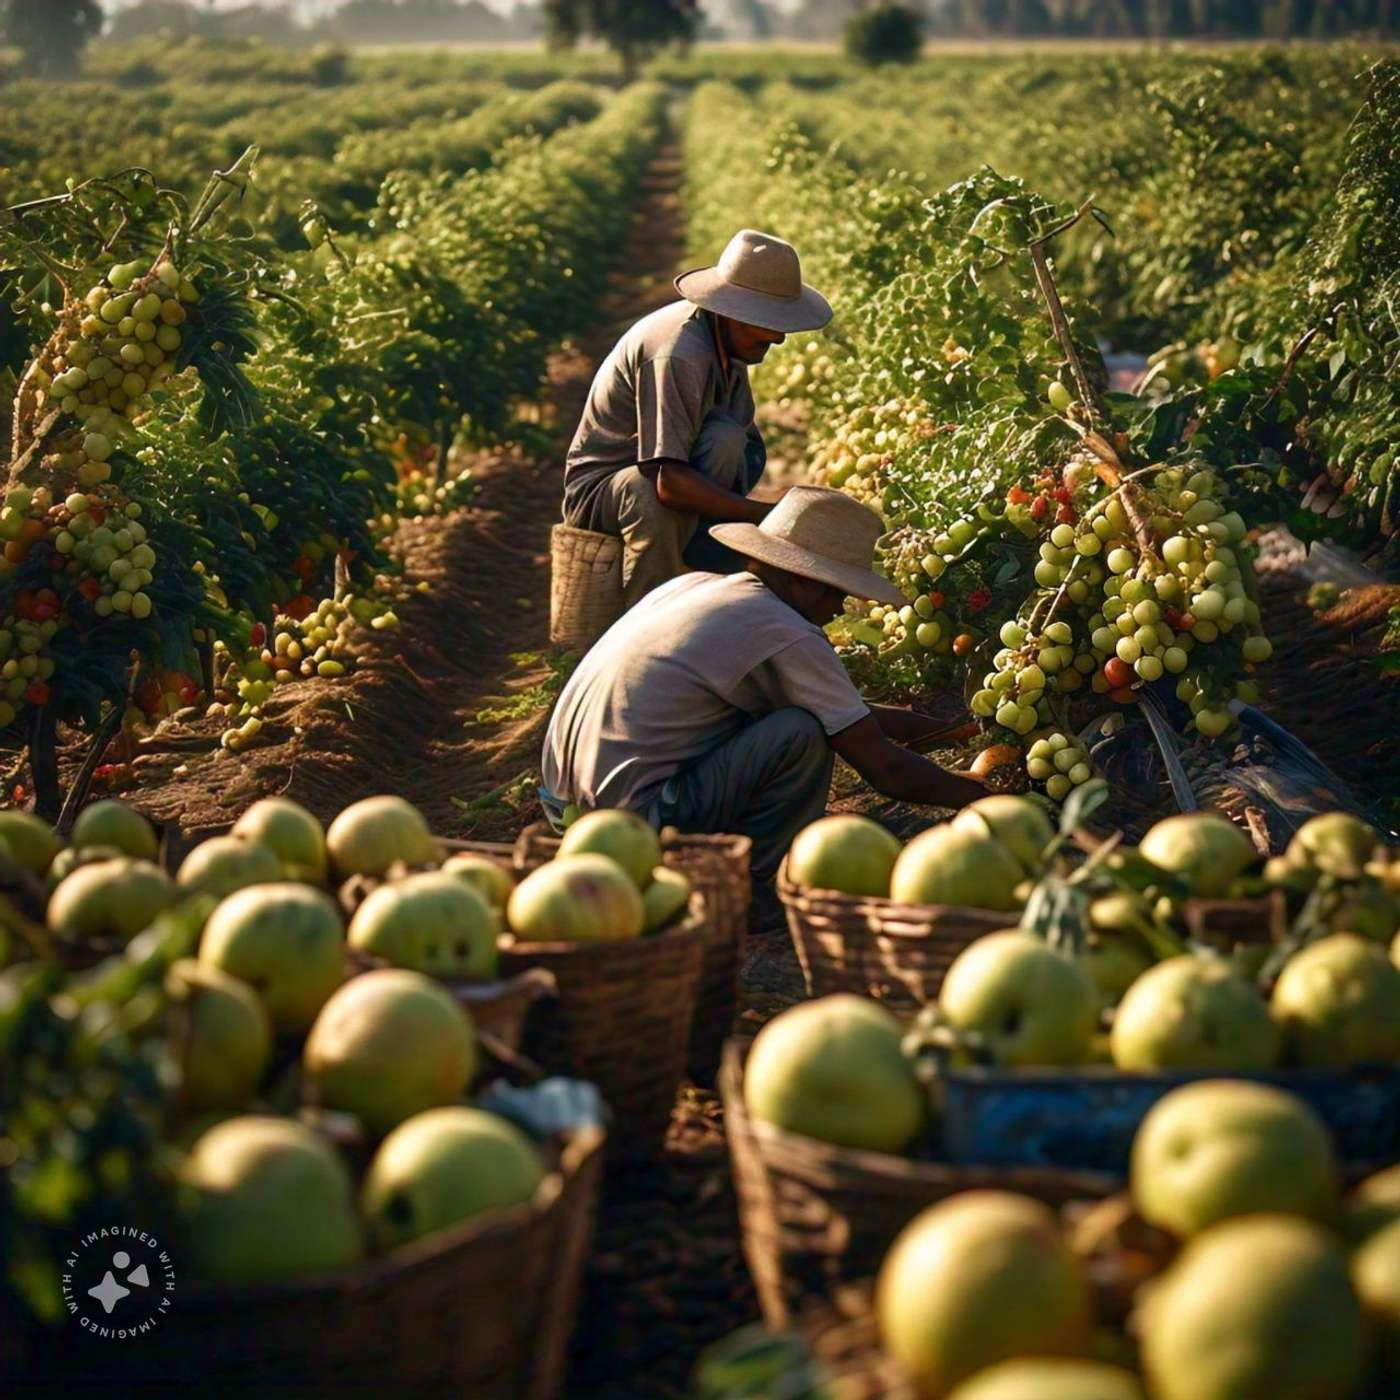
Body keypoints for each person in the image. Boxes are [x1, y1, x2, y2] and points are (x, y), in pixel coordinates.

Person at [541, 486, 991, 879]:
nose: (838, 610)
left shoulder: (697, 590)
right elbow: (885, 769)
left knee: (789, 718)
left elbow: (852, 714)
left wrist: (947, 728)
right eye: (839, 593)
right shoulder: (783, 629)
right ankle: (759, 889)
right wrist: (986, 801)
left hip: (568, 814)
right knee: (800, 734)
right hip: (634, 828)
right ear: (804, 582)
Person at [561, 228, 833, 608]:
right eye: (768, 325)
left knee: (732, 440)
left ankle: (702, 556)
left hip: (670, 468)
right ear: (736, 313)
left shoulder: (725, 341)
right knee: (653, 498)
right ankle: (649, 612)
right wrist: (761, 515)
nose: (779, 339)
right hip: (606, 489)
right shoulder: (680, 355)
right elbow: (668, 483)